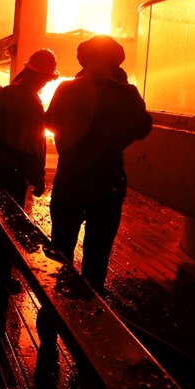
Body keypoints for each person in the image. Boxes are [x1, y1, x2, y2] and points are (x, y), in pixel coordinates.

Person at [44, 35, 153, 295]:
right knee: (97, 255)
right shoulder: (128, 93)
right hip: (108, 185)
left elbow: (49, 122)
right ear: (117, 61)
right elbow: (142, 128)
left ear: (83, 59)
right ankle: (90, 309)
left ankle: (55, 309)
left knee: (61, 249)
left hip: (70, 182)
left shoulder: (66, 89)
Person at [0, 48, 60, 208]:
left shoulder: (4, 93)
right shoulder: (32, 102)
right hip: (14, 174)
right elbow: (35, 144)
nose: (45, 83)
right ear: (38, 76)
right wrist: (37, 178)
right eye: (46, 79)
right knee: (10, 220)